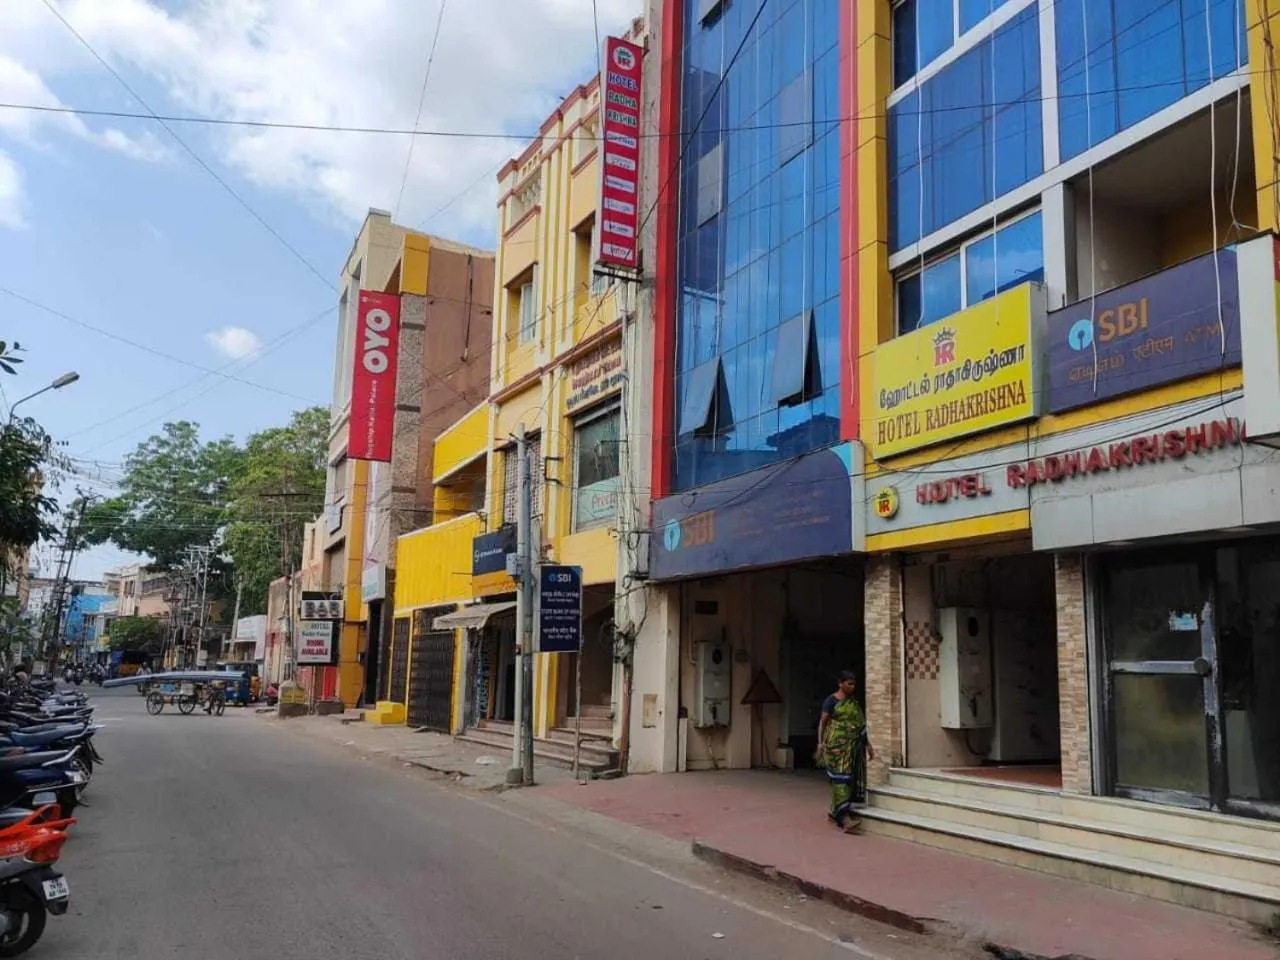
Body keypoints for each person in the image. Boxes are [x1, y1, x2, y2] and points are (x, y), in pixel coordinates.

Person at [816, 670, 875, 833]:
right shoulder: (831, 701)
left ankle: (835, 811)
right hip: (835, 746)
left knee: (847, 778)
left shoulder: (853, 703)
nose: (852, 687)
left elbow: (860, 725)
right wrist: (820, 743)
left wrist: (868, 745)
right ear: (840, 684)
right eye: (849, 683)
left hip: (852, 746)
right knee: (841, 778)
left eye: (854, 684)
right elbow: (823, 722)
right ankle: (844, 818)